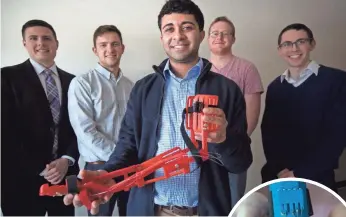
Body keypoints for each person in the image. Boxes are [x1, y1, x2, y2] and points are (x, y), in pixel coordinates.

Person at [64, 0, 253, 216]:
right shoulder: (143, 90)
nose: (178, 35)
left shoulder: (227, 90)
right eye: (169, 29)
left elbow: (241, 162)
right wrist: (107, 175)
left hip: (206, 210)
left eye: (187, 27)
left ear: (201, 34)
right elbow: (127, 148)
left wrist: (223, 139)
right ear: (162, 37)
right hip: (151, 209)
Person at [1, 19, 79, 216]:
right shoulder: (7, 77)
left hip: (63, 178)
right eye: (33, 38)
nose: (41, 43)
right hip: (20, 179)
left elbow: (79, 127)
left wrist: (67, 160)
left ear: (56, 44)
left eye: (47, 38)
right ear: (24, 43)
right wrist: (40, 168)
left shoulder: (74, 81)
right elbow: (5, 131)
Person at [261, 23, 346, 191]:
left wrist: (301, 172)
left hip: (318, 177)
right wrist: (280, 169)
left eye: (301, 41)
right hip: (280, 176)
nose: (294, 48)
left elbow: (338, 134)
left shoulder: (337, 81)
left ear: (312, 44)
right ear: (280, 50)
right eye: (287, 44)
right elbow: (268, 132)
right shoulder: (275, 87)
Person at [67, 25, 133, 216]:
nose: (110, 49)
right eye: (103, 45)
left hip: (129, 168)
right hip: (98, 167)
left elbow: (134, 128)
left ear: (122, 48)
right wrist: (119, 156)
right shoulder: (82, 83)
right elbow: (85, 131)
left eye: (114, 44)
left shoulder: (131, 86)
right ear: (95, 50)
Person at [208, 16, 264, 207]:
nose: (219, 37)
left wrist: (232, 145)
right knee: (206, 204)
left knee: (233, 202)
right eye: (215, 33)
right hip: (202, 153)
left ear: (233, 39)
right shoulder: (198, 69)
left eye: (225, 33)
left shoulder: (247, 68)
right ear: (207, 38)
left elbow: (252, 116)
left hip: (234, 150)